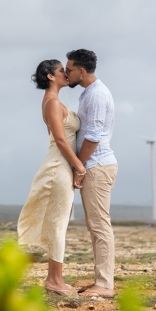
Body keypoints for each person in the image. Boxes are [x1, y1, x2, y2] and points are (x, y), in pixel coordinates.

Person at [18, 59, 88, 296]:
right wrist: (79, 165)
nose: (66, 74)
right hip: (58, 166)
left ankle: (54, 279)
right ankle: (54, 281)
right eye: (61, 71)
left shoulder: (55, 101)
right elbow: (59, 139)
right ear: (50, 76)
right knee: (58, 224)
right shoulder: (52, 102)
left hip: (62, 165)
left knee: (58, 223)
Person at [65, 48, 118, 298]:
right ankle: (101, 281)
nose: (66, 74)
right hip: (94, 165)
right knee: (95, 225)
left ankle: (105, 285)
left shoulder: (96, 95)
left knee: (99, 226)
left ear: (81, 71)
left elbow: (93, 136)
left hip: (96, 165)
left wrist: (79, 166)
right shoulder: (89, 94)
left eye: (69, 70)